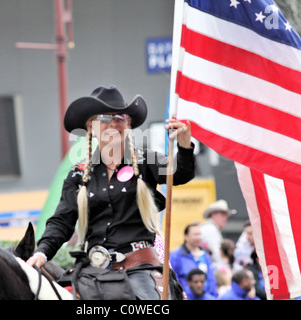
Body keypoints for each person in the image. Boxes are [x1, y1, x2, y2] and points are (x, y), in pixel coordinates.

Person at [26, 85, 196, 300]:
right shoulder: (78, 175)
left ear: (129, 124)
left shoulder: (146, 161)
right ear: (91, 126)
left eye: (120, 117)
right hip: (91, 270)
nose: (113, 124)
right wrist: (41, 253)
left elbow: (180, 173)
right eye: (105, 118)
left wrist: (184, 144)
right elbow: (62, 221)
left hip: (139, 267)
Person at [170, 222, 218, 298]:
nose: (199, 237)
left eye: (200, 234)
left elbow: (211, 278)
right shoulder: (175, 255)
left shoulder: (205, 254)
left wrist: (213, 296)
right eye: (195, 234)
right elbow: (173, 279)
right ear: (186, 236)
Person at [200, 199, 236, 264]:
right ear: (213, 215)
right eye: (222, 214)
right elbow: (216, 254)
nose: (225, 218)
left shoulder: (210, 228)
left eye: (226, 215)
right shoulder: (210, 229)